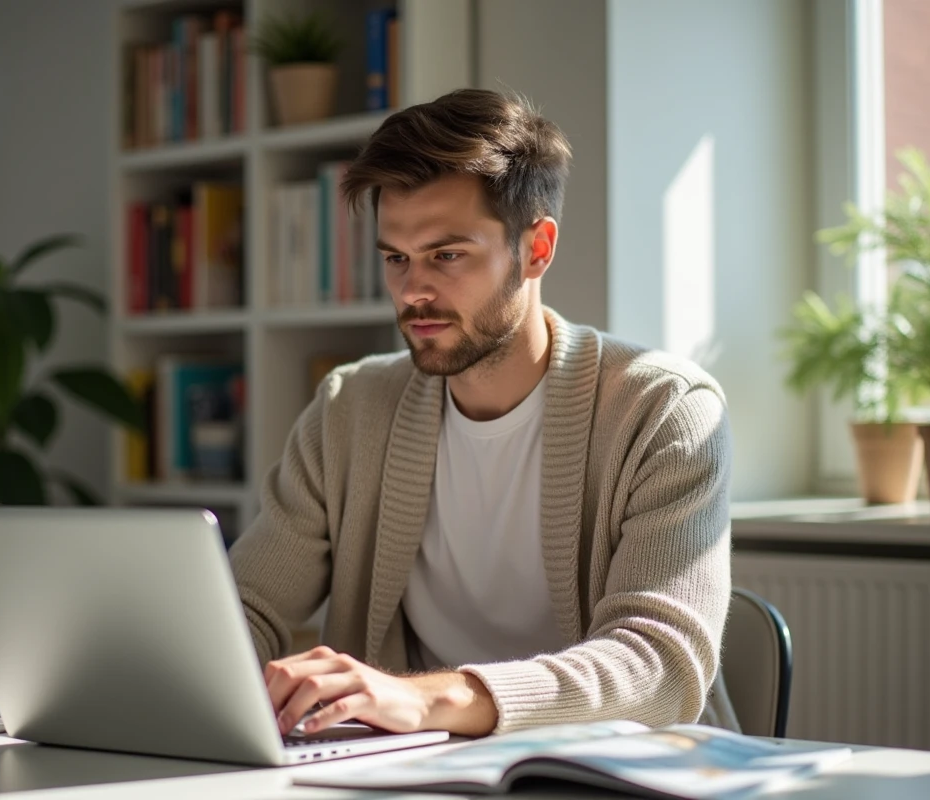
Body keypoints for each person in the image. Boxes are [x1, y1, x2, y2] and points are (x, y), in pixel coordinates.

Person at [228, 88, 737, 739]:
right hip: (415, 774)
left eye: (447, 255)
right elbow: (243, 608)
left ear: (537, 249)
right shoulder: (349, 410)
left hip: (629, 777)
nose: (413, 290)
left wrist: (427, 700)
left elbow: (660, 667)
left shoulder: (665, 411)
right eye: (396, 259)